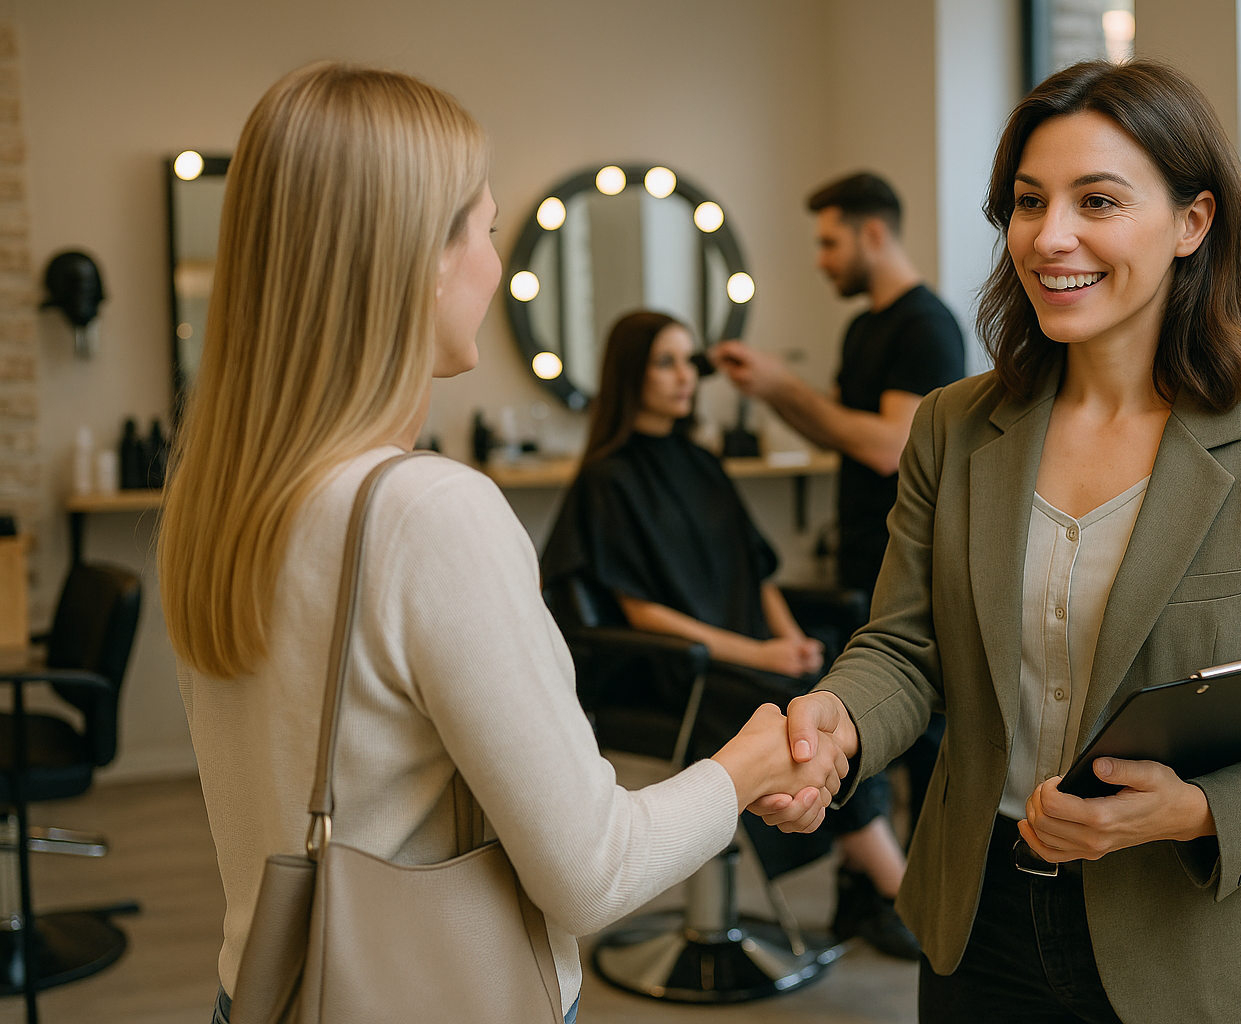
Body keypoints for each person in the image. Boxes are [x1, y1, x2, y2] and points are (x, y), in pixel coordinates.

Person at [156, 64, 842, 1024]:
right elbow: (592, 873)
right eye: (483, 228)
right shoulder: (431, 514)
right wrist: (752, 765)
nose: (490, 261)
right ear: (419, 260)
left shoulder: (218, 499)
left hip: (265, 992)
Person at [753, 59, 1241, 1024]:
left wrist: (1194, 811)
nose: (1050, 237)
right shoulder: (952, 428)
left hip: (1198, 941)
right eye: (1028, 201)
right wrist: (838, 722)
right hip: (984, 927)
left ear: (1193, 222)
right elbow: (904, 646)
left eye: (1097, 200)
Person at [541, 309, 920, 959]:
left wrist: (790, 637)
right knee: (787, 706)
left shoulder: (701, 462)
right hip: (667, 673)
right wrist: (763, 653)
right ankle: (900, 892)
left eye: (691, 361)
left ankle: (872, 885)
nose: (686, 376)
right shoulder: (610, 478)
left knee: (826, 688)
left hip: (737, 659)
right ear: (630, 373)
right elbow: (642, 614)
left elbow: (756, 571)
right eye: (667, 361)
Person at [713, 171, 966, 826]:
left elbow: (889, 446)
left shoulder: (926, 326)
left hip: (910, 560)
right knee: (869, 734)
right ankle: (870, 886)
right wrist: (773, 391)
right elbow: (843, 434)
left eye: (830, 243)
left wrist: (781, 386)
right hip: (860, 554)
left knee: (923, 743)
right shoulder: (861, 331)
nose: (822, 261)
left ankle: (916, 901)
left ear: (873, 233)